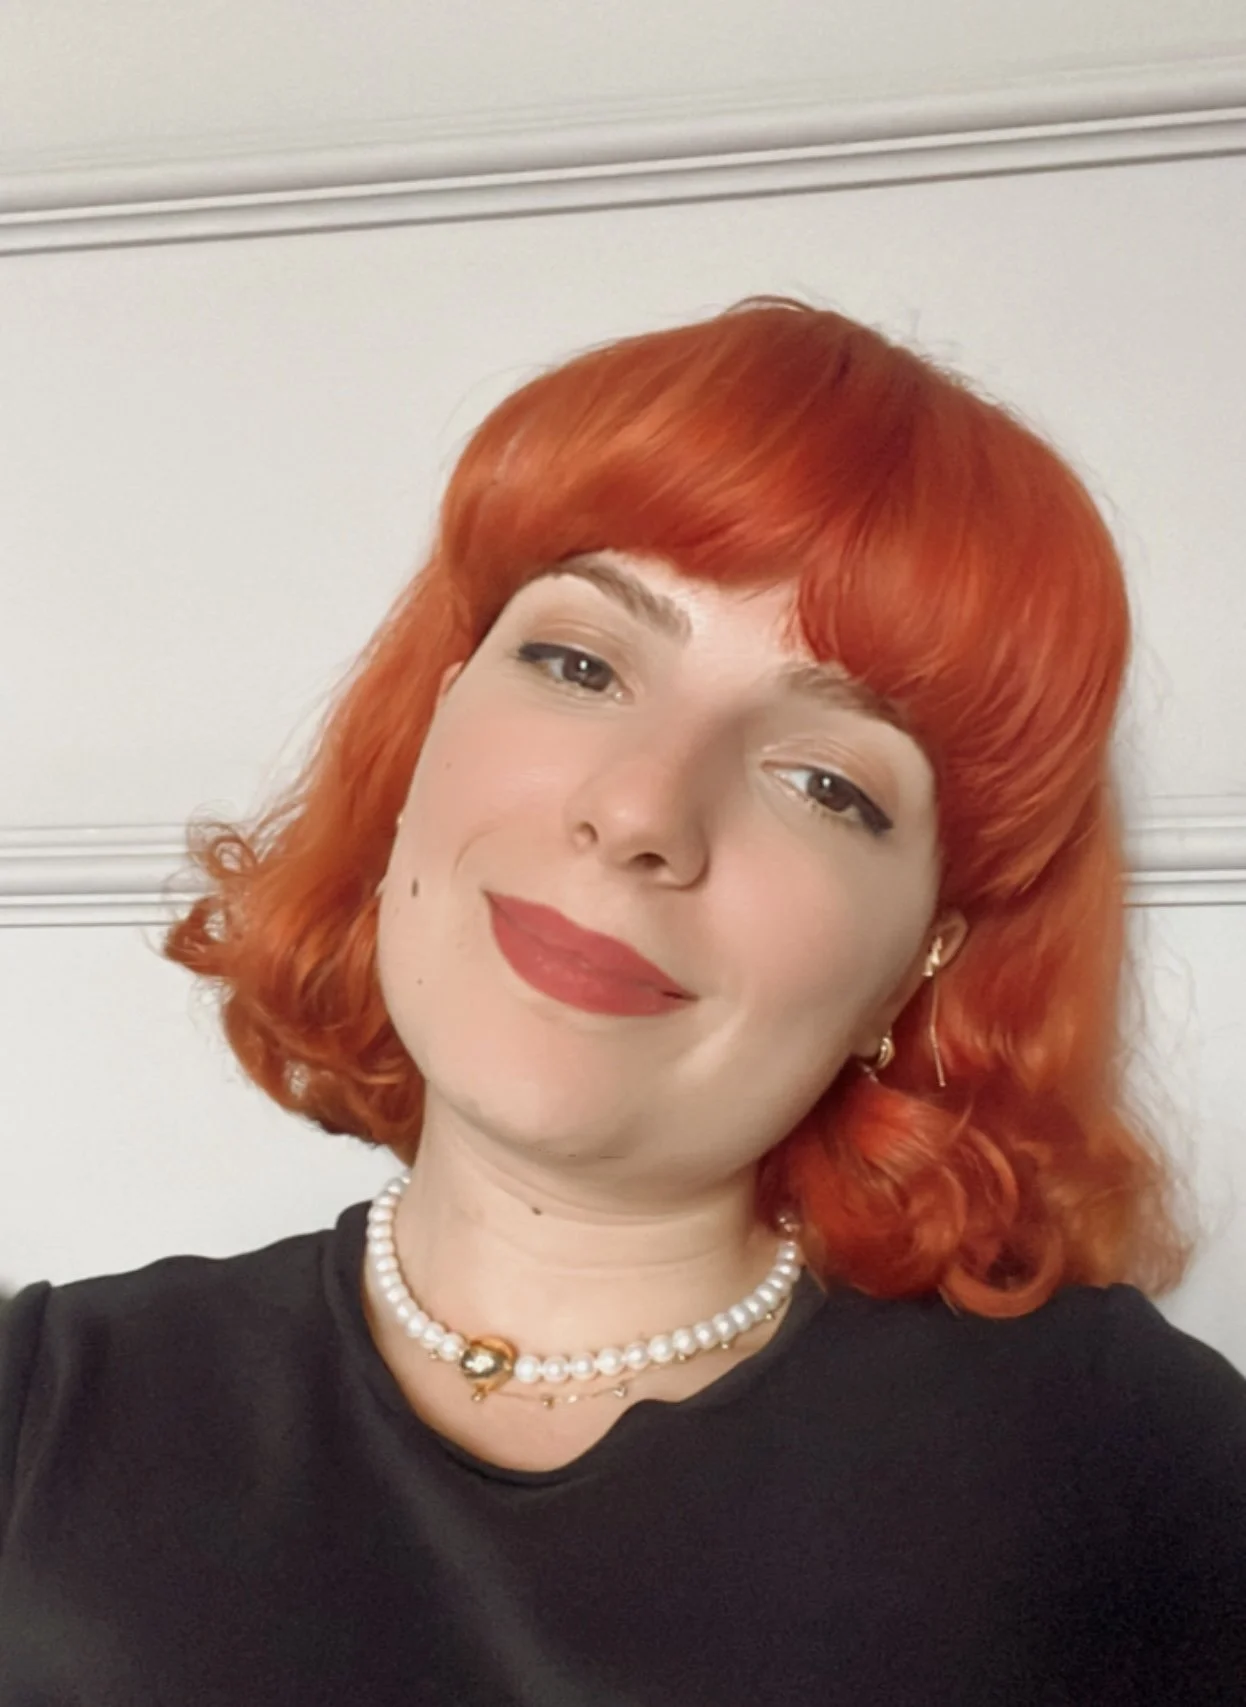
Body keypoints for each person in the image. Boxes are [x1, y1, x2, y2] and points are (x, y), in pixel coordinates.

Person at [1, 298, 1243, 1706]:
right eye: (579, 663)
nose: (644, 807)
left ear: (921, 954)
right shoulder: (39, 1408)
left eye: (827, 781)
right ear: (428, 726)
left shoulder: (1130, 1468)